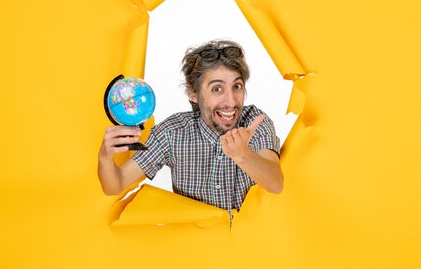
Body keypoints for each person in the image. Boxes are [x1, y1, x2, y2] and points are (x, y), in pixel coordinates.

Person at [97, 39, 283, 215]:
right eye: (217, 89)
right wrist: (105, 158)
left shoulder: (255, 122)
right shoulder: (172, 133)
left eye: (237, 86)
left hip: (251, 244)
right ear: (194, 94)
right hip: (195, 246)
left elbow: (275, 183)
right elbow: (116, 184)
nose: (231, 101)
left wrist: (242, 154)